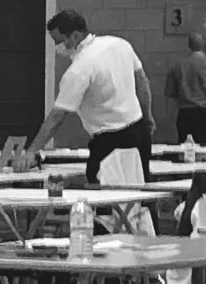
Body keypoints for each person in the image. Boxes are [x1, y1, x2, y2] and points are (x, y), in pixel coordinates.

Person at [33, 11, 152, 182]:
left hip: (109, 139)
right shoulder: (120, 44)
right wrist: (147, 118)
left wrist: (32, 151)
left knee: (102, 190)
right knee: (140, 187)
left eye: (59, 41)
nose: (58, 47)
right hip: (139, 131)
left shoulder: (80, 68)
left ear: (74, 36)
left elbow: (57, 116)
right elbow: (142, 82)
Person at [167, 46, 206, 146]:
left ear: (189, 46)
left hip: (185, 114)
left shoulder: (178, 65)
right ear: (203, 46)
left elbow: (170, 91)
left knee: (187, 150)